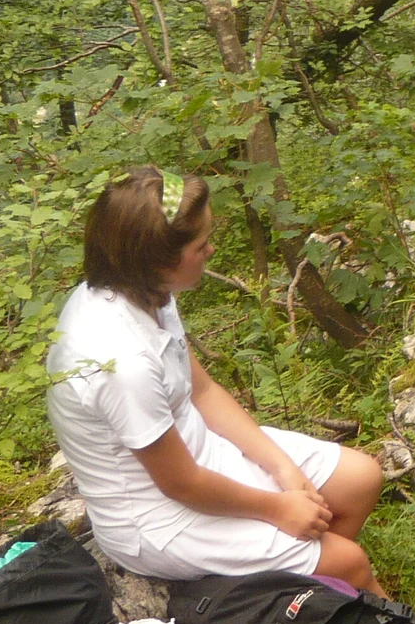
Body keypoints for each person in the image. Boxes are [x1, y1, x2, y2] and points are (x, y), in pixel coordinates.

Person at [47, 168, 385, 588]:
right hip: (156, 518)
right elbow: (182, 484)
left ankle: (305, 598)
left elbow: (203, 391)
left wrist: (282, 466)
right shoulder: (120, 361)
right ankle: (331, 590)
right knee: (350, 562)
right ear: (157, 260)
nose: (211, 249)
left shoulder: (149, 291)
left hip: (201, 453)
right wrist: (279, 509)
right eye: (200, 244)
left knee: (361, 480)